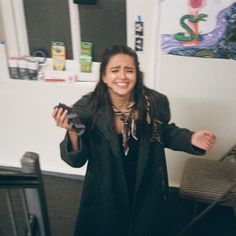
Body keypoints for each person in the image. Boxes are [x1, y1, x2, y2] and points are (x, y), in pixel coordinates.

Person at [52, 45, 216, 236]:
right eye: (115, 70)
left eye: (129, 70)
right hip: (106, 186)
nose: (122, 76)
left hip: (146, 181)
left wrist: (191, 138)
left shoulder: (154, 103)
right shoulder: (87, 108)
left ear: (136, 75)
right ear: (105, 77)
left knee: (144, 227)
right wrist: (72, 132)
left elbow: (165, 132)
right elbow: (75, 161)